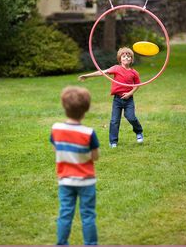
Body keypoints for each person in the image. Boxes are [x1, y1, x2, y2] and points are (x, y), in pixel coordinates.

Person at [50, 86, 100, 245]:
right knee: (88, 215)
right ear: (86, 109)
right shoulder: (89, 133)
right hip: (86, 181)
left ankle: (62, 243)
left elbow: (56, 148)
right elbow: (95, 156)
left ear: (64, 106)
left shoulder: (56, 129)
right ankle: (91, 244)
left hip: (65, 180)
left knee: (65, 213)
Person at [79, 47, 143, 148]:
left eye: (128, 56)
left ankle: (139, 132)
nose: (126, 57)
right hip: (117, 99)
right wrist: (87, 76)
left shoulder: (134, 72)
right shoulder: (116, 68)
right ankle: (113, 142)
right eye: (124, 56)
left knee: (131, 117)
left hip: (128, 99)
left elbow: (138, 85)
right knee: (114, 120)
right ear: (120, 59)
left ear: (131, 59)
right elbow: (101, 72)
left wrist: (130, 94)